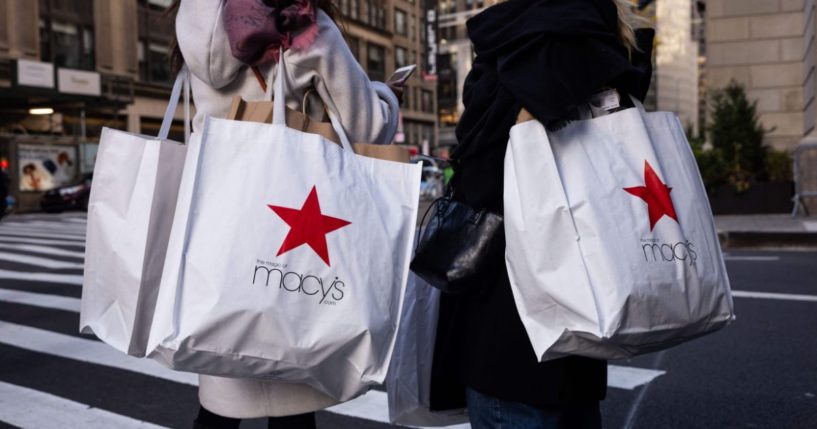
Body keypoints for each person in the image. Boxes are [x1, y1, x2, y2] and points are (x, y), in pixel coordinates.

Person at [171, 0, 403, 428]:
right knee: (293, 411)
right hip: (292, 230)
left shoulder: (195, 19)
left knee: (222, 402)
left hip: (220, 235)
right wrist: (385, 95)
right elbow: (366, 125)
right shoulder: (300, 24)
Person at [427, 1, 654, 428]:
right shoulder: (607, 44)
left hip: (509, 337)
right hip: (583, 334)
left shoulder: (520, 49)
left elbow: (483, 189)